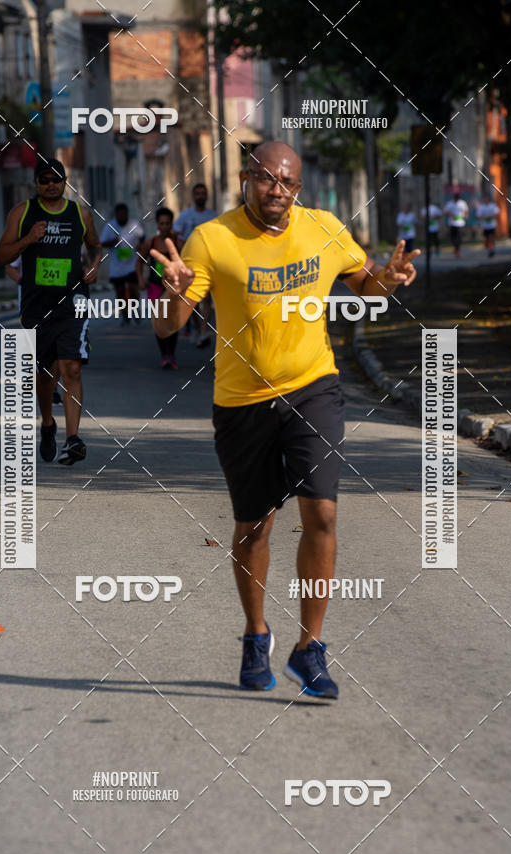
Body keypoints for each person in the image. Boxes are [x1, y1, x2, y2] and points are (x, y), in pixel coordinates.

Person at [151, 141, 419, 698]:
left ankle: (309, 648)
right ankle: (255, 634)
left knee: (321, 512)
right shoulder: (213, 238)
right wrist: (172, 295)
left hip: (312, 389)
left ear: (299, 188)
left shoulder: (323, 228)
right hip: (242, 402)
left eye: (288, 182)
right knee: (255, 527)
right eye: (268, 178)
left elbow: (361, 282)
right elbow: (167, 330)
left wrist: (387, 280)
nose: (278, 189)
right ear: (248, 178)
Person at [0, 157, 102, 465]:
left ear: (65, 181)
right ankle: (47, 424)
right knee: (45, 373)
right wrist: (29, 239)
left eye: (56, 179)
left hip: (73, 304)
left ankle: (73, 438)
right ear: (36, 183)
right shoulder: (23, 212)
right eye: (45, 180)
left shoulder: (80, 214)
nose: (51, 184)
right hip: (36, 307)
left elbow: (95, 245)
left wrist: (94, 266)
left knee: (72, 367)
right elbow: (2, 255)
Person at [5, 256, 62, 405]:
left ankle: (53, 388)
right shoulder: (27, 239)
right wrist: (25, 283)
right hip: (30, 305)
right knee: (34, 349)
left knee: (57, 348)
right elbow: (9, 266)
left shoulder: (64, 237)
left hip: (58, 301)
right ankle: (30, 392)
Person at [136, 208, 183, 369]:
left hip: (173, 289)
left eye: (167, 223)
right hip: (155, 287)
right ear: (157, 224)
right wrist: (141, 279)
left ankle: (171, 354)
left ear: (171, 224)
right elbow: (139, 262)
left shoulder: (178, 243)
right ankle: (164, 355)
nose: (164, 227)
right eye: (161, 223)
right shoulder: (151, 243)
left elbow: (188, 263)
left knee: (173, 322)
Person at [174, 184, 217, 348]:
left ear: (206, 196)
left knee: (206, 298)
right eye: (197, 193)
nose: (200, 196)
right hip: (189, 264)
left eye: (203, 193)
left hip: (207, 263)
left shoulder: (213, 216)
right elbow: (177, 234)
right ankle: (195, 327)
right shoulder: (185, 216)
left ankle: (203, 330)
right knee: (192, 299)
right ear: (193, 196)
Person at [99, 202, 145, 324]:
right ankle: (125, 315)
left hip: (132, 265)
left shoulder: (134, 224)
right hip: (117, 267)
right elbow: (102, 243)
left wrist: (140, 244)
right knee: (120, 293)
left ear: (127, 214)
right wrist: (112, 242)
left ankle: (135, 310)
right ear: (116, 215)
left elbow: (142, 237)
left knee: (133, 289)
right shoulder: (110, 226)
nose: (122, 217)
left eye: (124, 214)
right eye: (119, 215)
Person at [444, 192, 469, 257]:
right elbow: (445, 212)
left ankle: (457, 250)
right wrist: (450, 214)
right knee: (453, 237)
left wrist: (466, 215)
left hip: (460, 223)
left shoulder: (462, 203)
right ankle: (455, 248)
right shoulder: (450, 203)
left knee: (459, 237)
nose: (456, 200)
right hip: (452, 223)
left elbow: (466, 211)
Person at [476, 193, 500, 257]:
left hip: (492, 225)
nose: (485, 200)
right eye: (484, 199)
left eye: (486, 199)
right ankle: (489, 247)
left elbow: (497, 214)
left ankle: (491, 250)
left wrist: (491, 216)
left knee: (491, 237)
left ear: (488, 199)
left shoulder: (493, 206)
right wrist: (484, 217)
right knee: (487, 239)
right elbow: (478, 216)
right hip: (485, 226)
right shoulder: (481, 207)